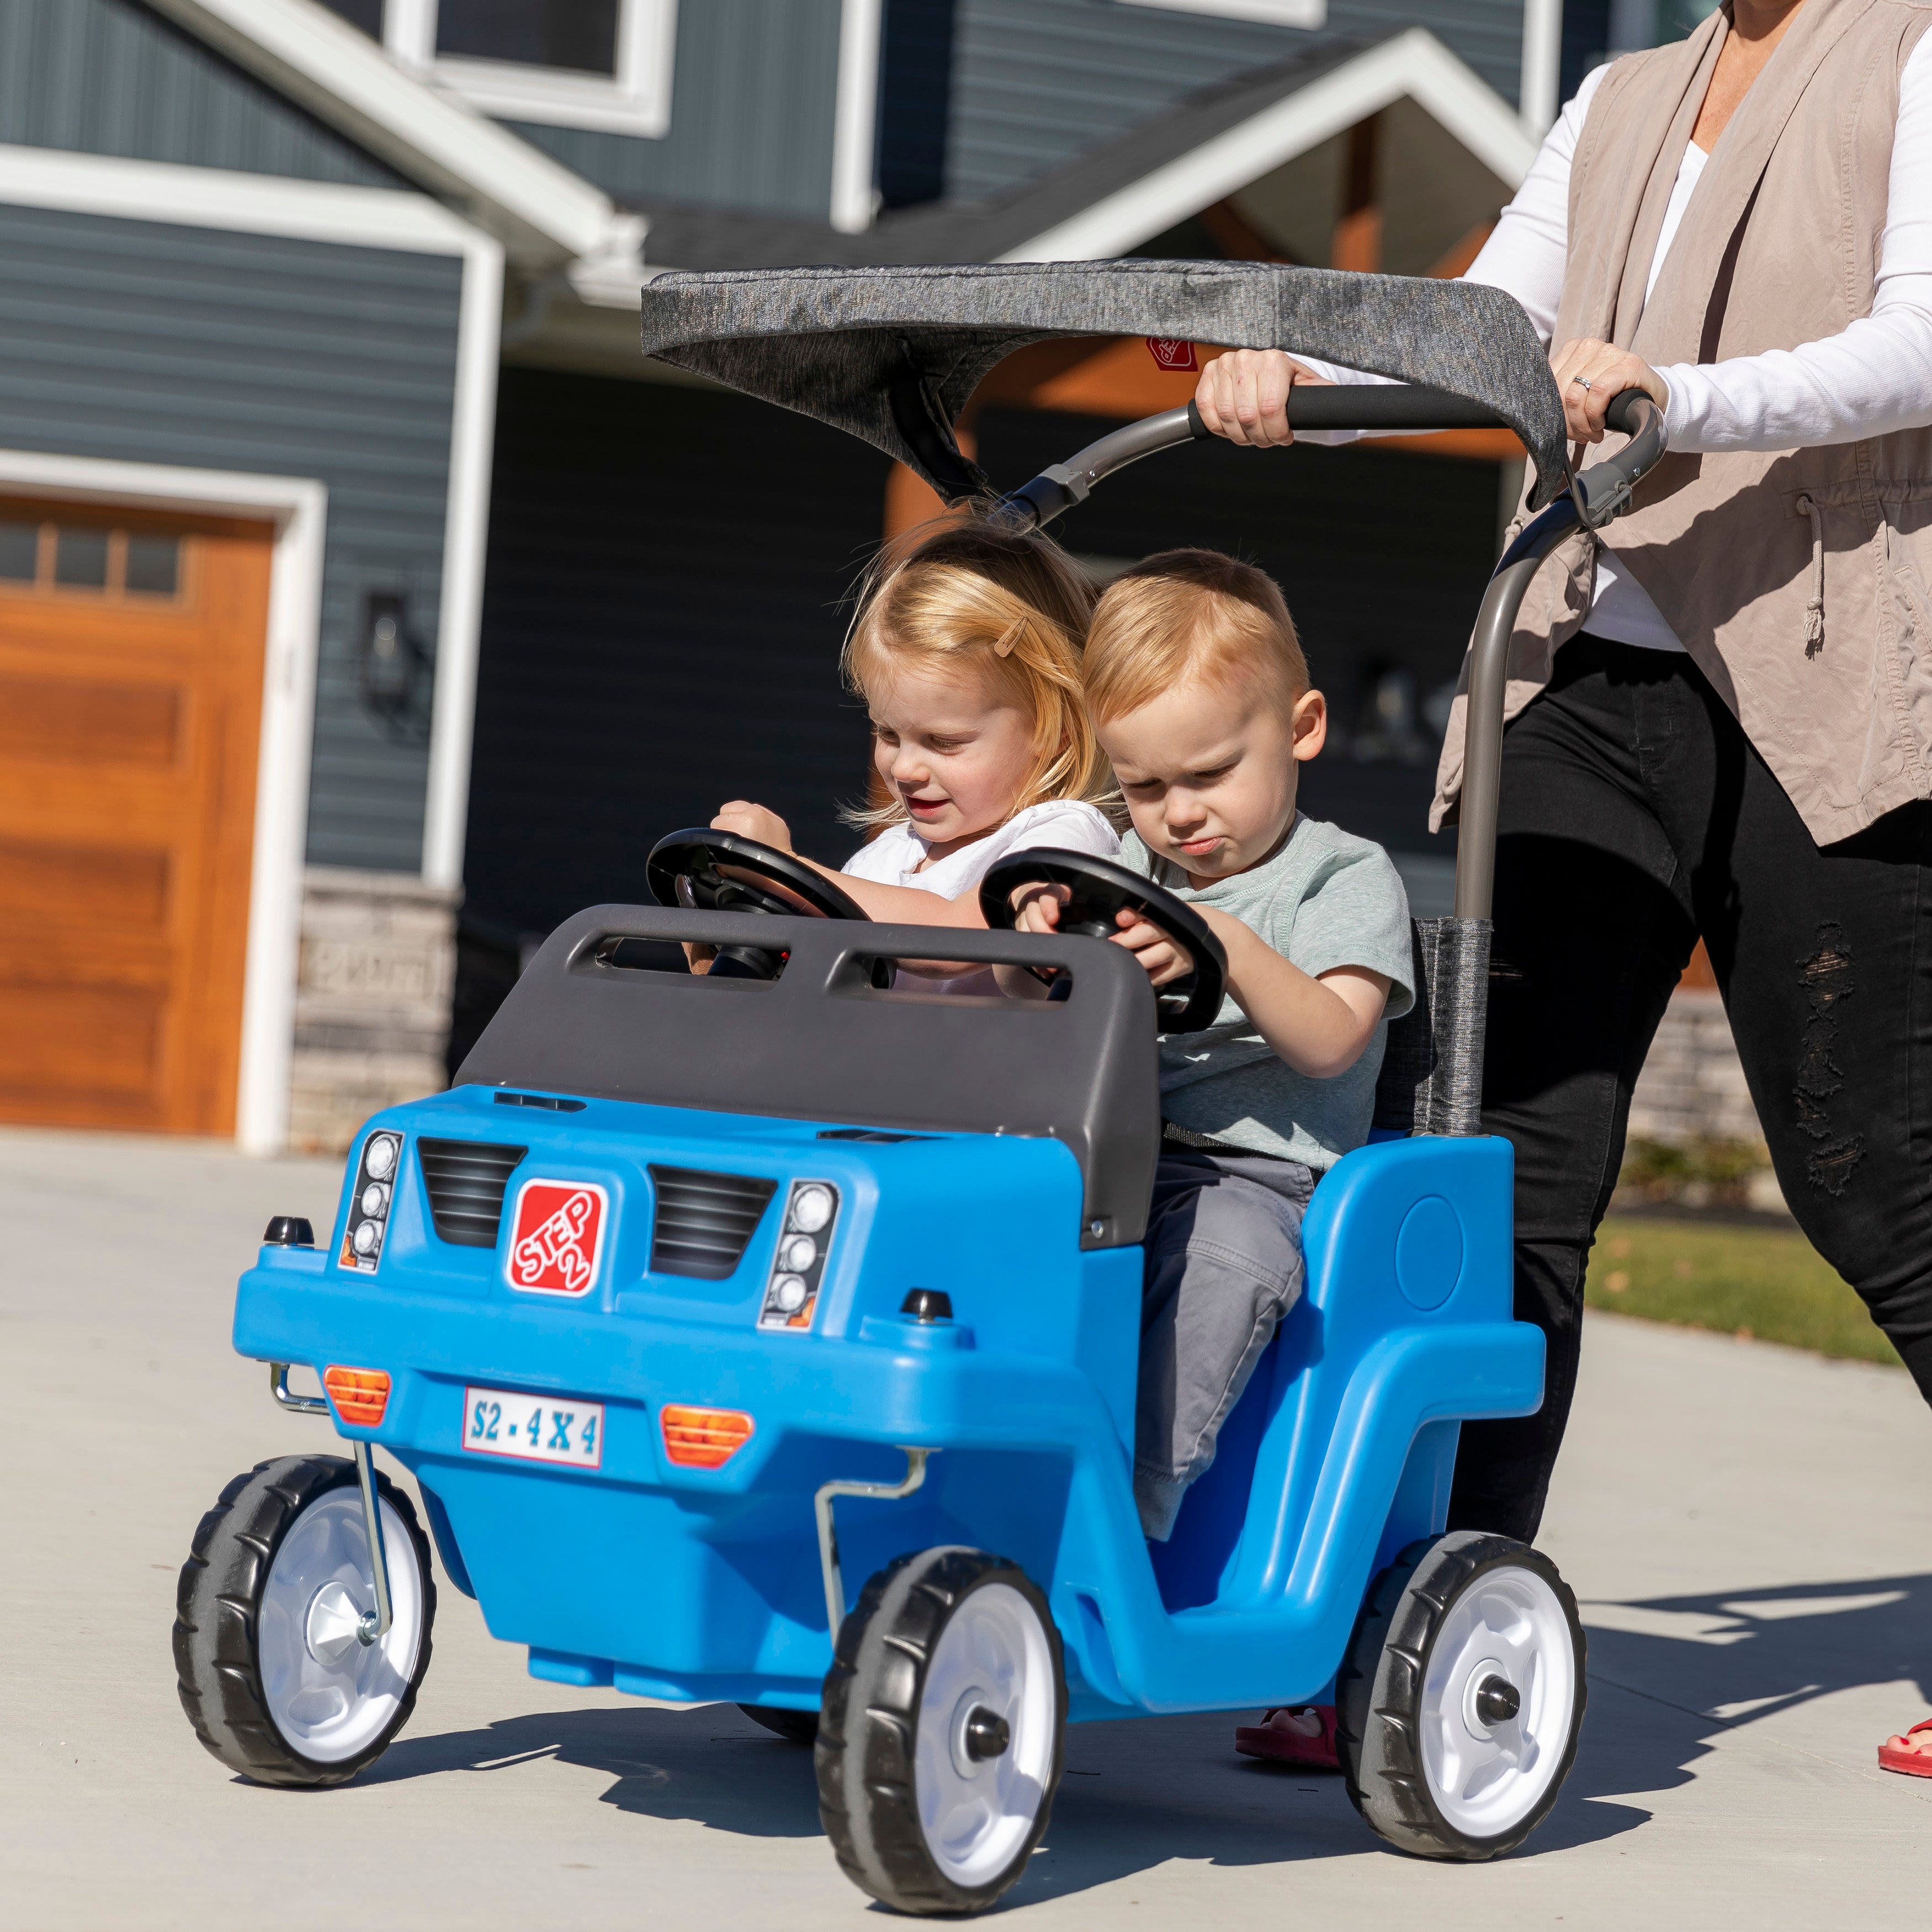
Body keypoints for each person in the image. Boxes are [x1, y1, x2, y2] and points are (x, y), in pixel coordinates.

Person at [1192, 0, 1932, 1774]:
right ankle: (1423, 1623)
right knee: (1494, 1171)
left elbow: (1916, 342)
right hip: (1578, 681)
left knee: (1879, 1186)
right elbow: (1484, 336)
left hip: (1816, 673)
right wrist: (1296, 386)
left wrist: (1683, 400)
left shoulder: (1911, 54)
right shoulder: (1612, 98)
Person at [1016, 550, 1412, 1531]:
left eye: (1210, 774)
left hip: (1258, 1179)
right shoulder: (1127, 864)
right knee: (990, 1221)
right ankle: (985, 1455)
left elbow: (1332, 1041)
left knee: (1225, 1261)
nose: (1180, 813)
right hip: (1110, 1154)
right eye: (1145, 785)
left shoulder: (1342, 878)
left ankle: (1134, 1507)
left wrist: (1227, 945)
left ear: (1301, 728)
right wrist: (1037, 914)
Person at [708, 517, 1121, 992]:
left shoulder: (1062, 837)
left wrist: (784, 870)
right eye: (887, 733)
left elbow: (953, 938)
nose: (903, 768)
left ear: (1058, 732)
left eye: (944, 742)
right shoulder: (880, 861)